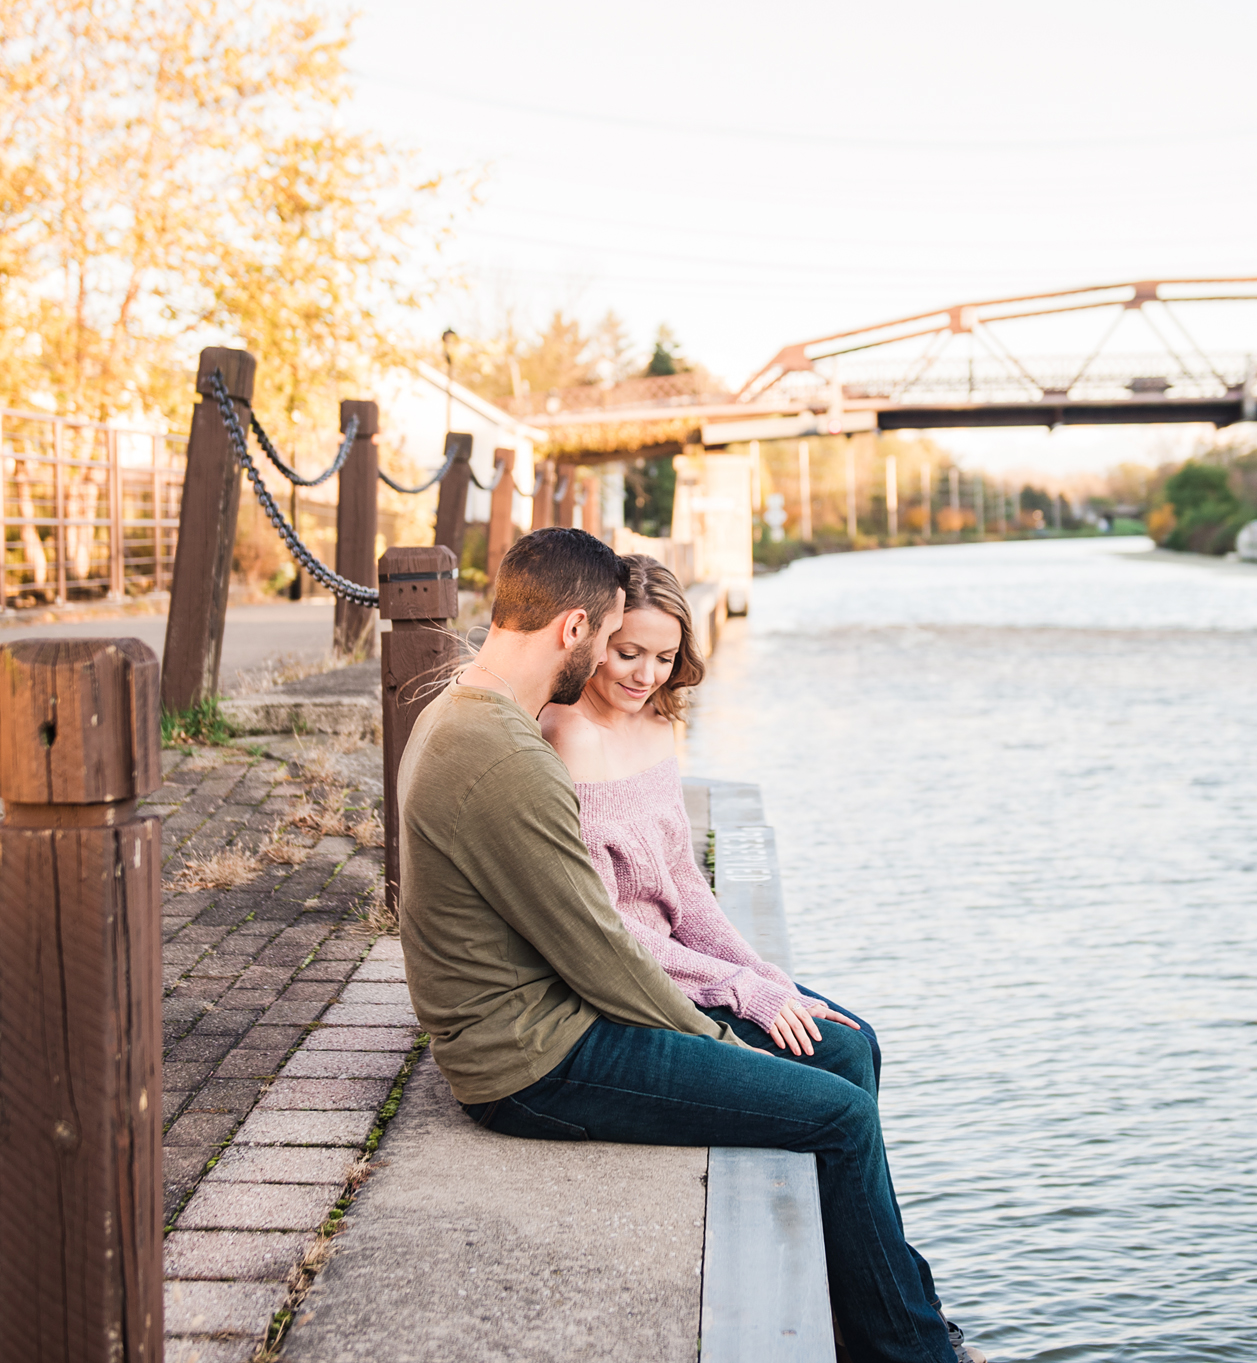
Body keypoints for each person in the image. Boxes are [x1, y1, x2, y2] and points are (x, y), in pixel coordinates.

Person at [396, 528, 981, 1363]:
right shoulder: (510, 752)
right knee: (841, 1113)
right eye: (609, 639)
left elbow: (633, 913)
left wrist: (762, 978)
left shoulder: (473, 715)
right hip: (534, 1059)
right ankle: (914, 1352)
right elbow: (601, 947)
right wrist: (725, 1034)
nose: (618, 664)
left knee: (844, 1057)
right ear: (574, 630)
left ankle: (886, 1314)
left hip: (553, 1020)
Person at [541, 554, 882, 1088]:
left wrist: (764, 975)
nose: (646, 676)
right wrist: (737, 987)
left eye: (663, 658)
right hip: (633, 986)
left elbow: (681, 880)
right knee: (840, 1055)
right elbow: (606, 925)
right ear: (595, 639)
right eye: (628, 653)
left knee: (860, 1038)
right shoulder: (570, 736)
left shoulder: (654, 720)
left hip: (680, 964)